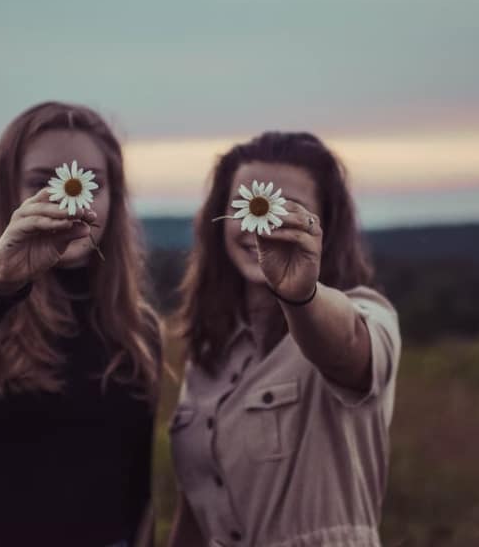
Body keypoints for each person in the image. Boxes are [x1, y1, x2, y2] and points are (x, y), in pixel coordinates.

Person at [0, 101, 160, 547]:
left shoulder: (137, 329)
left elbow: (138, 488)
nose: (66, 195)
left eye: (90, 182)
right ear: (6, 191)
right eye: (42, 181)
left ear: (113, 198)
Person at [167, 131, 401, 547]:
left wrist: (301, 295)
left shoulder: (367, 314)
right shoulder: (210, 352)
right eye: (249, 205)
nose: (263, 224)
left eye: (288, 209)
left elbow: (347, 349)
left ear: (326, 226)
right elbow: (198, 507)